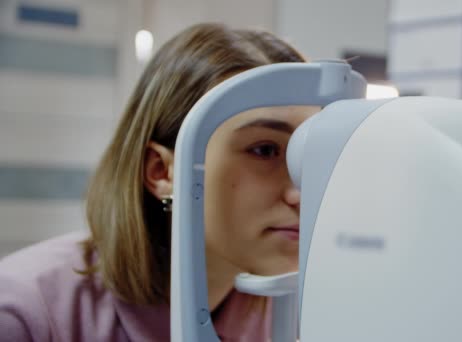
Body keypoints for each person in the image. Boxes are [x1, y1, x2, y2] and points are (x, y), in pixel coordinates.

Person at [0, 22, 319, 341]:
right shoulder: (23, 315)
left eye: (310, 152)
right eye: (264, 150)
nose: (301, 194)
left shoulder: (289, 313)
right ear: (162, 172)